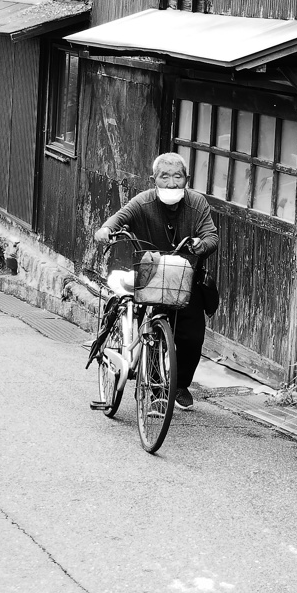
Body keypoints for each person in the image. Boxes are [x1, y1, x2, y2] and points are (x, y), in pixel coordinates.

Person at [94, 152, 219, 411]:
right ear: (154, 180)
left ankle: (180, 384)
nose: (172, 183)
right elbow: (118, 218)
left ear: (186, 179)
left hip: (186, 279)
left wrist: (201, 244)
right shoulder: (143, 202)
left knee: (192, 338)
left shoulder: (197, 203)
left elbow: (211, 236)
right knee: (150, 335)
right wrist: (105, 230)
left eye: (178, 177)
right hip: (151, 277)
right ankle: (155, 390)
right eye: (165, 177)